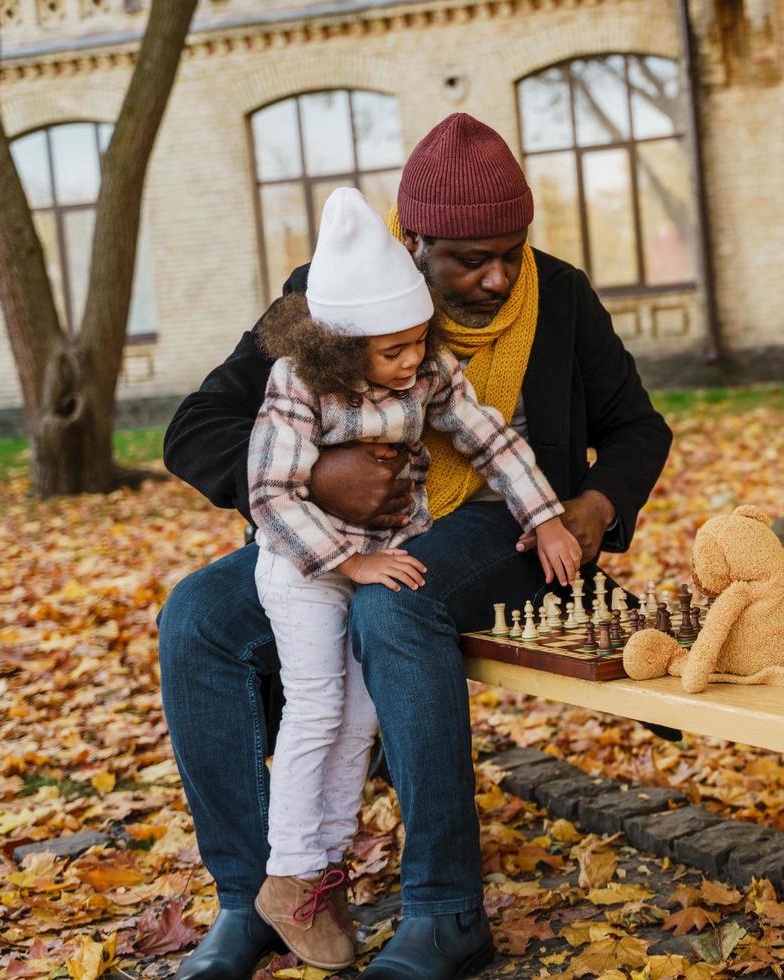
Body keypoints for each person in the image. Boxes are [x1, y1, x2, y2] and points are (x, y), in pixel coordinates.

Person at [159, 113, 672, 979]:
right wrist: (322, 476)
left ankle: (446, 912)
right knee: (198, 618)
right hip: (341, 536)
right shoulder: (326, 298)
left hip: (502, 529)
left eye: (511, 250)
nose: (498, 275)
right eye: (469, 259)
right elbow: (198, 426)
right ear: (413, 239)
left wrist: (592, 505)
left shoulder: (563, 298)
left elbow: (636, 429)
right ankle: (258, 899)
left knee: (396, 605)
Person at [245, 187, 581, 970]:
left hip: (380, 553)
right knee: (318, 705)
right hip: (303, 565)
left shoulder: (422, 366)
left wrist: (546, 517)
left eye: (416, 343)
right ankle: (288, 867)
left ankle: (324, 865)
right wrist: (349, 560)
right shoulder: (300, 384)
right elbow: (268, 495)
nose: (412, 363)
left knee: (362, 716)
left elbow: (491, 438)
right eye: (392, 352)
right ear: (338, 346)